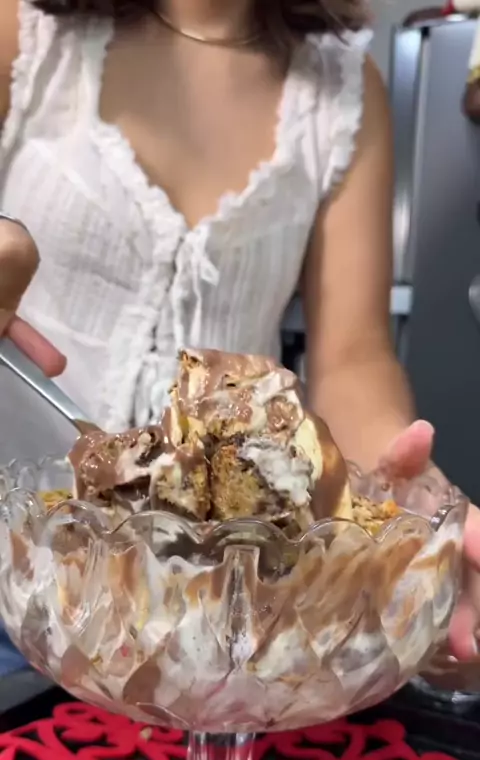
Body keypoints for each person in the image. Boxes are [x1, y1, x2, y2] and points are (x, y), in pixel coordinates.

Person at [0, 1, 479, 662]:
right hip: (19, 573)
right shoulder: (23, 30)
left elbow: (352, 360)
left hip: (218, 613)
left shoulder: (343, 89)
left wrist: (406, 504)